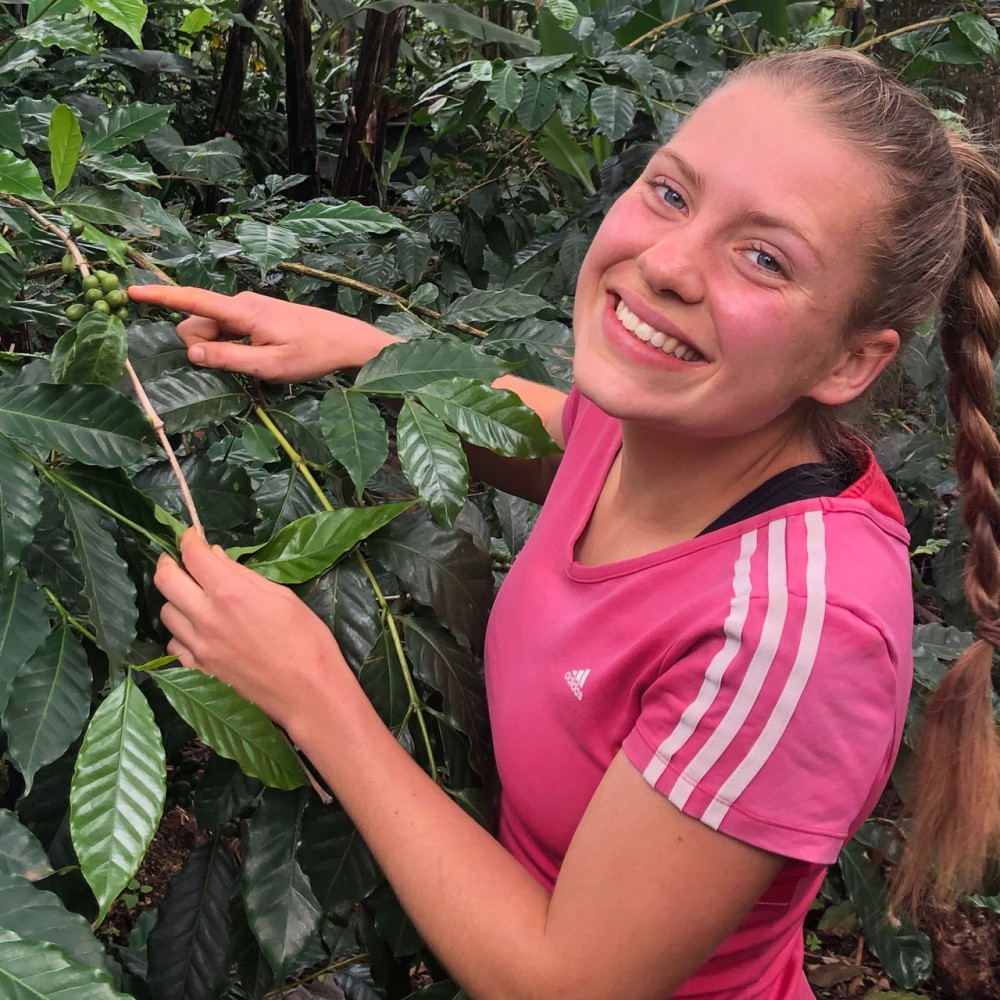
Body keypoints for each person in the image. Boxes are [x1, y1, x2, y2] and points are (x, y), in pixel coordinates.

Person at [129, 47, 1000, 1000]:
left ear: (848, 362)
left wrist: (309, 692)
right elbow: (563, 437)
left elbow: (565, 982)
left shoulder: (792, 633)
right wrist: (369, 357)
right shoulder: (668, 427)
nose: (667, 264)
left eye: (764, 256)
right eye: (671, 193)